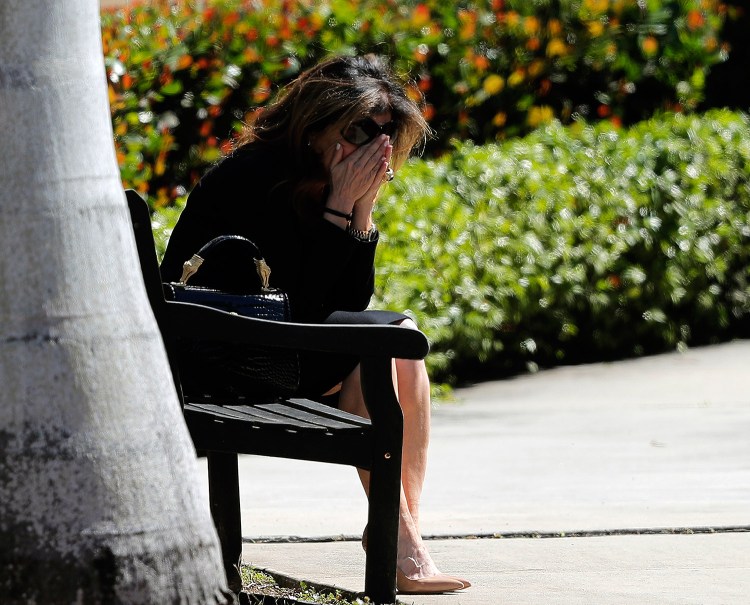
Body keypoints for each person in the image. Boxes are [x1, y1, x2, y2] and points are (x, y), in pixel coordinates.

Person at [160, 54, 470, 595]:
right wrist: (339, 208)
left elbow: (345, 299)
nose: (376, 144)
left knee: (401, 349)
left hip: (283, 346)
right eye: (358, 130)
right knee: (388, 344)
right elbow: (298, 306)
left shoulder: (332, 174)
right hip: (227, 355)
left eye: (386, 133)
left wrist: (360, 211)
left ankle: (396, 535)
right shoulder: (253, 176)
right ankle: (400, 544)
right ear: (317, 122)